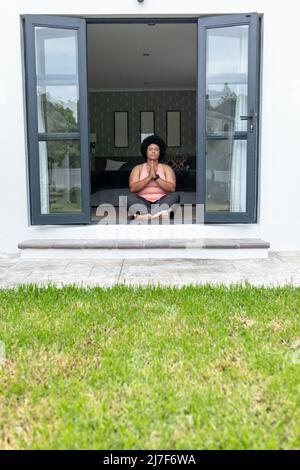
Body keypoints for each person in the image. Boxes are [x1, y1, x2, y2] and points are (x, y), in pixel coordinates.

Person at [127, 135, 180, 221]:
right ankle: (158, 215)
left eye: (156, 149)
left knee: (175, 196)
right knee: (129, 198)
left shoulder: (166, 168)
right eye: (150, 149)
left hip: (161, 201)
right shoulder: (138, 168)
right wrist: (149, 177)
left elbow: (172, 188)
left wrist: (156, 178)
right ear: (146, 152)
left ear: (160, 152)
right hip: (142, 202)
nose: (153, 151)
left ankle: (144, 216)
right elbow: (133, 188)